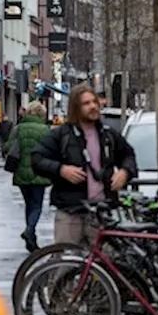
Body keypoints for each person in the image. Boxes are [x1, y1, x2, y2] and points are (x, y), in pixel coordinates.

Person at [30, 84, 137, 249]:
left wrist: (125, 171)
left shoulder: (108, 134)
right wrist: (61, 170)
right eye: (86, 103)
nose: (93, 106)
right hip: (71, 211)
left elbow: (128, 155)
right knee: (66, 262)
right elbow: (37, 159)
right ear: (75, 108)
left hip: (102, 212)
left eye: (94, 102)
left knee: (107, 265)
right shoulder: (62, 135)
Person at [6, 102, 50, 252]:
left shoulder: (18, 129)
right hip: (40, 172)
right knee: (37, 205)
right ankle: (30, 230)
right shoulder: (45, 130)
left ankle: (30, 239)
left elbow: (7, 148)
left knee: (29, 205)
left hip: (21, 172)